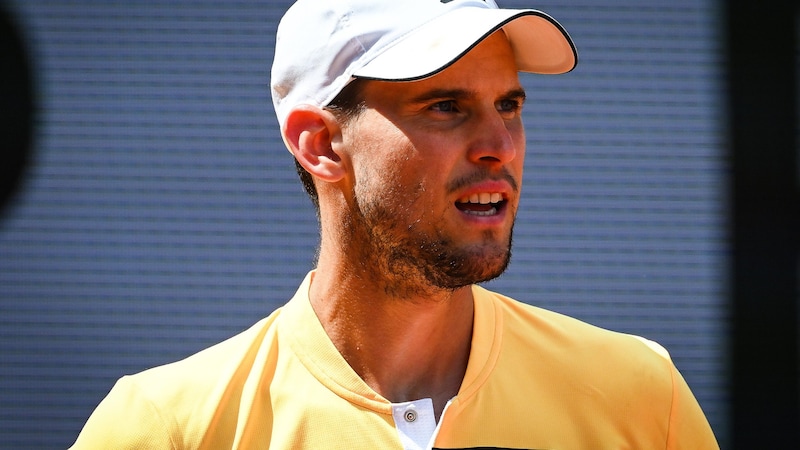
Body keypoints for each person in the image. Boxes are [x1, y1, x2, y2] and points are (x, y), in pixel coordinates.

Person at [71, 0, 719, 448]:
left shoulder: (639, 393)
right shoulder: (165, 427)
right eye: (446, 107)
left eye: (509, 105)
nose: (501, 144)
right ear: (319, 143)